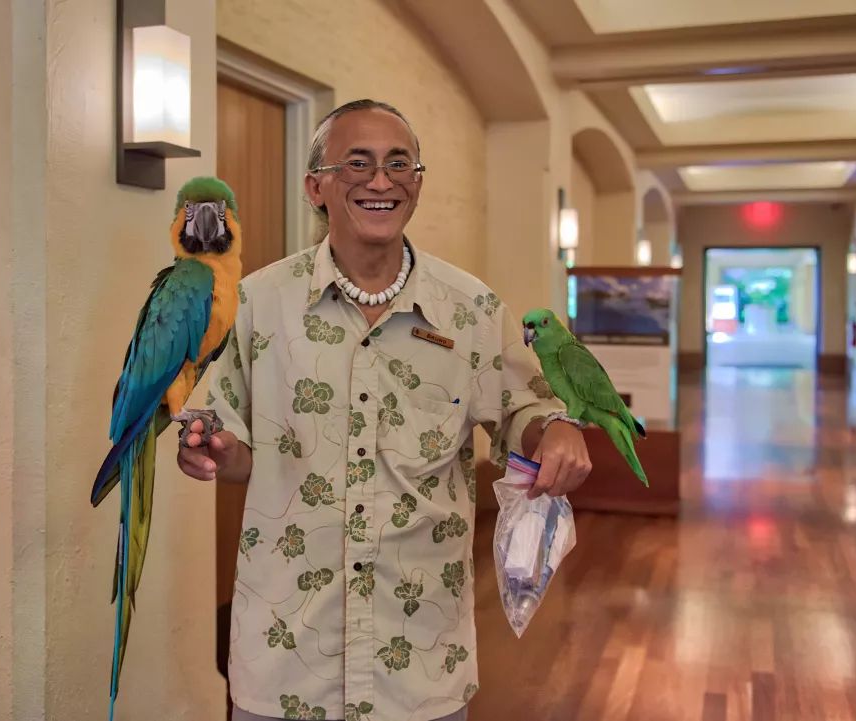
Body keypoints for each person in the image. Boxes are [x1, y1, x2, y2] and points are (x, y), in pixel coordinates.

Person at [178, 99, 591, 721]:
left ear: (417, 185)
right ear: (316, 187)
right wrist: (210, 449)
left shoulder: (471, 309)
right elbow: (235, 449)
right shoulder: (259, 303)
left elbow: (524, 408)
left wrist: (555, 430)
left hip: (420, 661)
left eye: (400, 164)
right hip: (285, 656)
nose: (381, 181)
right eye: (358, 164)